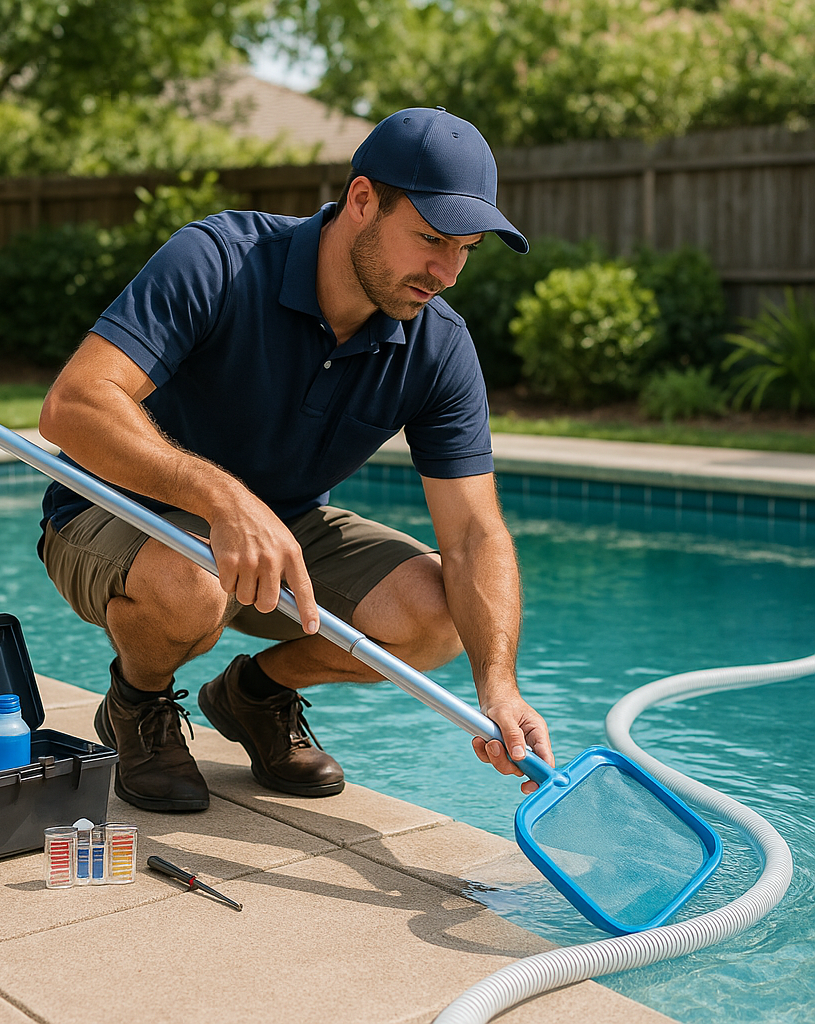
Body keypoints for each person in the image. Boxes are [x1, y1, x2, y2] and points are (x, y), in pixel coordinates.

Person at [37, 106, 554, 813]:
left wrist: (499, 683)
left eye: (466, 248)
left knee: (436, 617)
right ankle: (139, 702)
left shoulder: (438, 345)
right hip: (112, 512)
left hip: (283, 533)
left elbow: (472, 534)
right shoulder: (220, 258)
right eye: (431, 239)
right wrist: (221, 499)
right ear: (364, 201)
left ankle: (256, 694)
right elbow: (73, 406)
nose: (447, 273)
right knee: (192, 581)